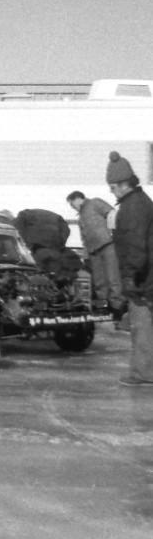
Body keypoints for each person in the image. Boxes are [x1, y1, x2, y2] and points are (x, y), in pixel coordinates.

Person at [106, 151, 153, 386]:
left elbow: (135, 247)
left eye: (113, 187)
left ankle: (144, 373)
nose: (111, 192)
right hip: (147, 277)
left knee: (141, 326)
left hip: (144, 280)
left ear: (124, 184)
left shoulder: (133, 207)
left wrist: (130, 277)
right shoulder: (141, 202)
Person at [66, 190, 123, 315]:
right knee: (99, 280)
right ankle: (103, 305)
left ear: (78, 199)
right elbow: (84, 238)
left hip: (108, 245)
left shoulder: (95, 203)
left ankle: (117, 307)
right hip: (93, 251)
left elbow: (112, 214)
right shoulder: (80, 217)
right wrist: (86, 255)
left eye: (72, 204)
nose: (72, 207)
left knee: (113, 277)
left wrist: (114, 233)